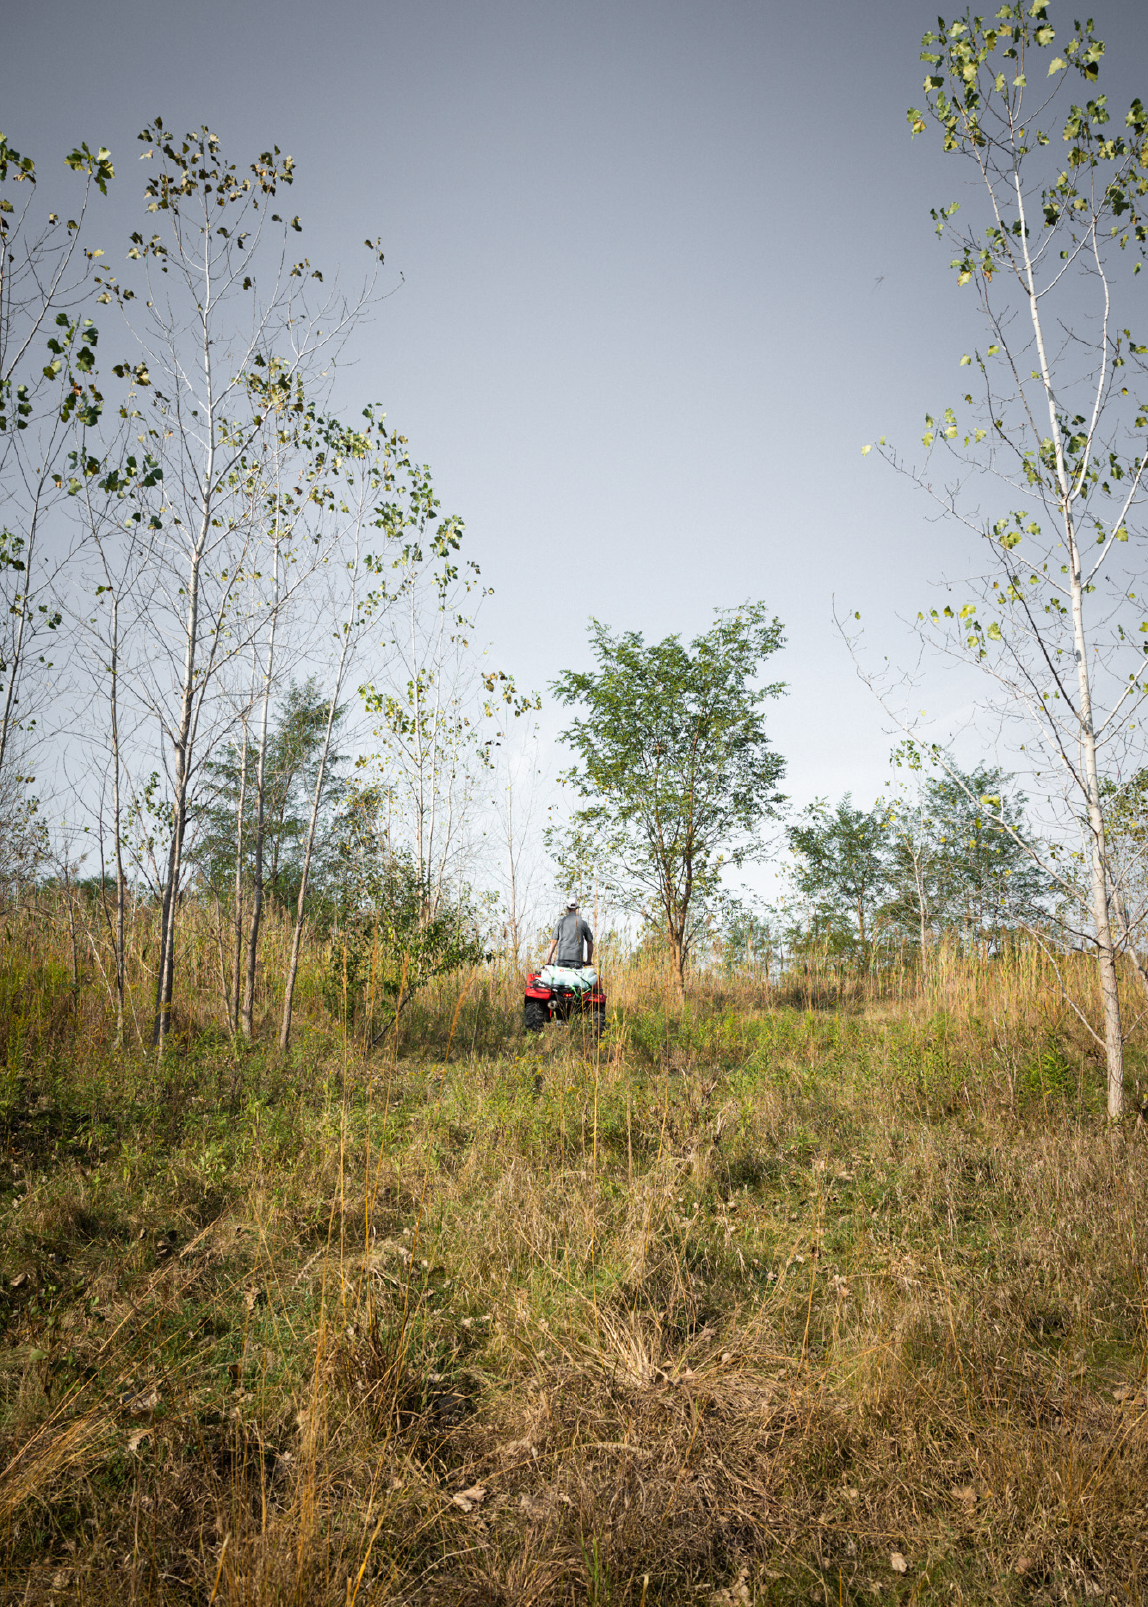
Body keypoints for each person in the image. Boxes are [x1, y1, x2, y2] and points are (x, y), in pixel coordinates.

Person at [544, 899, 594, 968]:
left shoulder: (560, 922)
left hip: (561, 960)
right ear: (576, 909)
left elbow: (553, 942)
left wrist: (549, 960)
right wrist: (588, 960)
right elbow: (590, 942)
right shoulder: (583, 923)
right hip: (577, 961)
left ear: (567, 908)